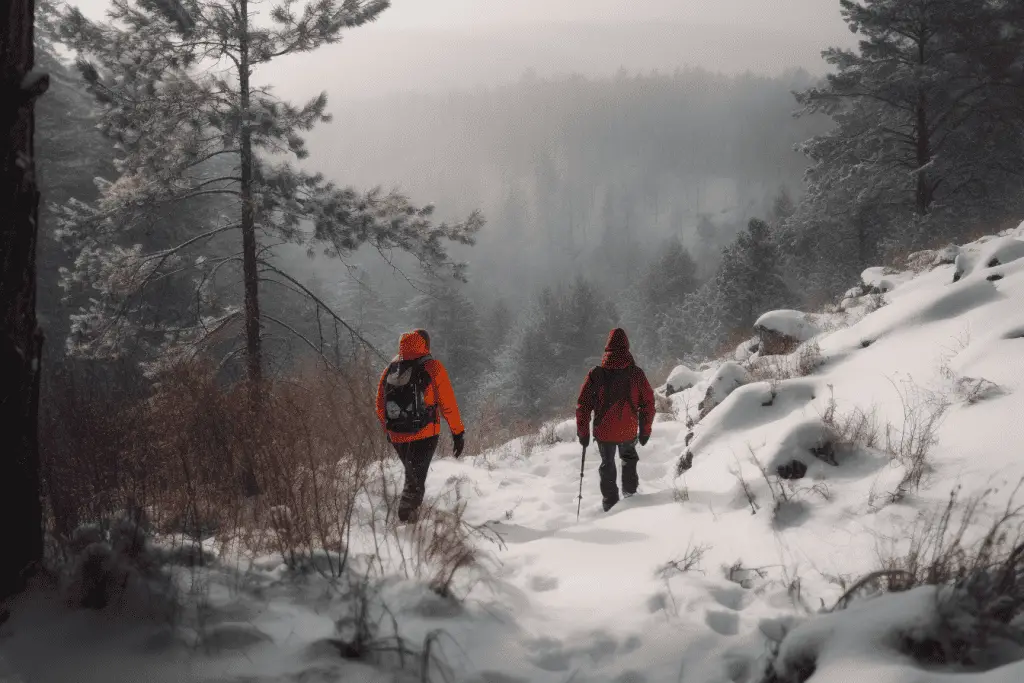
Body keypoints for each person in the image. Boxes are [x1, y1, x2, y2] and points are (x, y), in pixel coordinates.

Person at [376, 329, 465, 523]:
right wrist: (458, 433)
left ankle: (410, 521)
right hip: (424, 433)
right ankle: (408, 522)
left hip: (397, 434)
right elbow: (448, 404)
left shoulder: (390, 368)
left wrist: (389, 430)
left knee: (412, 476)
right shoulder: (433, 367)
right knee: (415, 481)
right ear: (425, 344)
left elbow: (379, 404)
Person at [576, 328, 655, 512]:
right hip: (627, 430)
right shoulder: (636, 374)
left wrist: (583, 432)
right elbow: (648, 405)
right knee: (629, 460)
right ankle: (631, 497)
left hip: (604, 432)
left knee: (607, 466)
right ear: (627, 347)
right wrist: (645, 430)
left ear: (607, 348)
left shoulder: (596, 374)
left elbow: (583, 406)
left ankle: (610, 505)